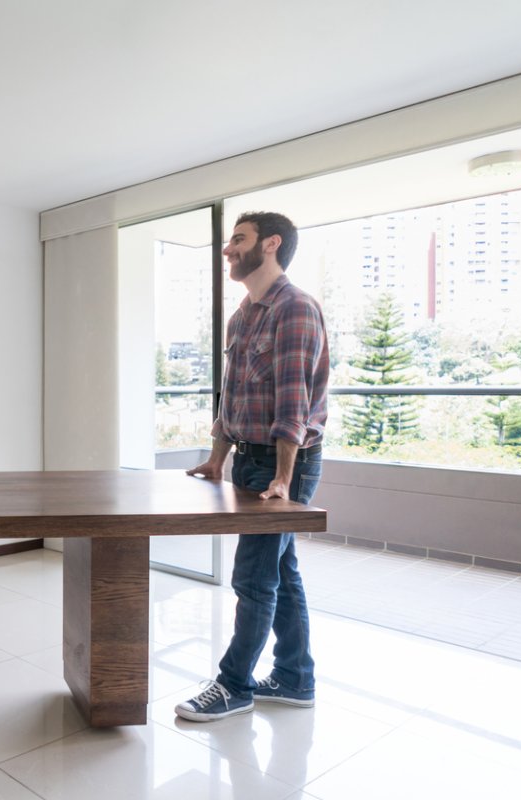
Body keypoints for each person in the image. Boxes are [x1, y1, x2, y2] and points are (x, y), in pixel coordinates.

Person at [175, 211, 329, 723]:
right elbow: (232, 395)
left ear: (271, 245)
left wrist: (284, 478)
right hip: (248, 459)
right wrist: (218, 458)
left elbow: (294, 404)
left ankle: (234, 684)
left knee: (254, 578)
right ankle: (294, 677)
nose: (227, 250)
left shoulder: (296, 309)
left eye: (237, 240)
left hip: (285, 463)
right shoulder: (242, 315)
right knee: (280, 571)